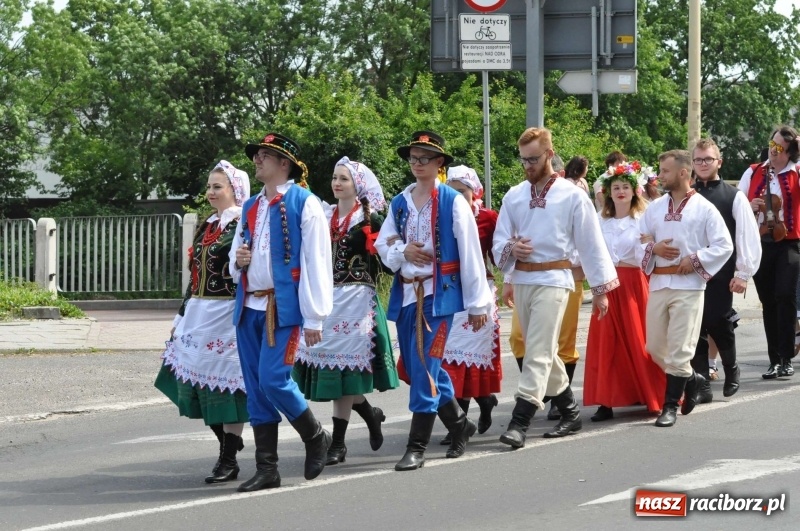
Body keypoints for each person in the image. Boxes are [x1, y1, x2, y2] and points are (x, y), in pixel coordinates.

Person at [493, 127, 619, 449]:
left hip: (555, 279)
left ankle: (520, 421)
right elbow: (499, 239)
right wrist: (511, 250)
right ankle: (569, 410)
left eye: (533, 159)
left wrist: (601, 289)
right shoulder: (514, 195)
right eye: (523, 160)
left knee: (537, 349)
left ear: (549, 154)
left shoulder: (572, 195)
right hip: (523, 278)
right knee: (543, 349)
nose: (527, 166)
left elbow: (591, 243)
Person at [376, 131, 493, 471]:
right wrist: (402, 250)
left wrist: (478, 304)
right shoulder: (400, 202)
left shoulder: (452, 202)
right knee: (419, 368)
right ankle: (459, 424)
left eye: (424, 158)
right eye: (413, 157)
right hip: (409, 294)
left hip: (439, 298)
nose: (417, 164)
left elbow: (471, 252)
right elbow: (383, 245)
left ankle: (417, 447)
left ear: (439, 163)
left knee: (426, 367)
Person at [229, 133, 333, 491]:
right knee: (256, 388)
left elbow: (317, 261)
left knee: (273, 378)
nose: (256, 160)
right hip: (248, 305)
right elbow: (237, 255)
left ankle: (315, 435)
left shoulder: (305, 202)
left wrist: (316, 316)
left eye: (264, 155)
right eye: (256, 155)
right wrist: (238, 261)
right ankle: (267, 468)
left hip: (282, 307)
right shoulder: (250, 206)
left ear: (284, 163)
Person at [292, 157, 399, 465]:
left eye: (344, 179)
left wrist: (379, 249)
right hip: (328, 302)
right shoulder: (322, 215)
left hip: (357, 304)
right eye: (335, 178)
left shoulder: (371, 220)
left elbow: (389, 263)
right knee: (336, 371)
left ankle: (337, 444)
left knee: (345, 372)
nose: (337, 183)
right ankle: (370, 413)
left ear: (357, 186)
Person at [155, 160, 250, 484]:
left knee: (229, 387)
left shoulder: (243, 224)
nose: (210, 192)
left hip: (227, 314)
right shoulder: (207, 225)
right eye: (209, 186)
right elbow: (194, 276)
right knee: (194, 382)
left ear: (234, 190)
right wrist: (180, 315)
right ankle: (229, 447)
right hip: (198, 313)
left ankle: (227, 459)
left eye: (217, 186)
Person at [638, 150, 733, 428]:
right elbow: (636, 242)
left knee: (680, 349)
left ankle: (670, 407)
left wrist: (695, 260)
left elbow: (724, 245)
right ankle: (693, 378)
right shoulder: (654, 208)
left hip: (689, 287)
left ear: (682, 173)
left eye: (665, 171)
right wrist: (652, 248)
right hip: (659, 283)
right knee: (654, 346)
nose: (660, 176)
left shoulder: (704, 208)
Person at [583, 160, 665, 421]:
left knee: (639, 339)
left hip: (633, 283)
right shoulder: (599, 220)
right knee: (607, 342)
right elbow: (590, 251)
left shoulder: (642, 219)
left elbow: (648, 253)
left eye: (625, 187)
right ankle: (605, 401)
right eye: (615, 187)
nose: (620, 191)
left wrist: (649, 245)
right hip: (607, 282)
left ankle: (649, 393)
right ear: (608, 192)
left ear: (634, 191)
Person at [689, 138, 761, 403]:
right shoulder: (688, 194)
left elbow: (746, 235)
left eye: (708, 159)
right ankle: (702, 385)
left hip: (722, 273)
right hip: (691, 272)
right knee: (694, 327)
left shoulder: (733, 196)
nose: (703, 164)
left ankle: (731, 368)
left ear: (719, 161)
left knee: (719, 324)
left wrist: (743, 273)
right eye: (698, 159)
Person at [437, 165, 502, 443]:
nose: (455, 196)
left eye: (461, 191)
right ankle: (467, 415)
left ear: (474, 193)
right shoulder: (438, 214)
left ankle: (471, 412)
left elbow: (498, 255)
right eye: (450, 191)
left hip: (478, 291)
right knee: (448, 357)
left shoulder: (487, 217)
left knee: (468, 357)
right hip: (449, 290)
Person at [738, 126, 800, 379]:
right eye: (771, 146)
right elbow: (737, 203)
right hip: (760, 242)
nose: (773, 152)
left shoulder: (797, 171)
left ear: (790, 152)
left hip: (789, 243)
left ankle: (786, 356)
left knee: (785, 295)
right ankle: (774, 359)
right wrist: (748, 205)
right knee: (768, 303)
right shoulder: (754, 171)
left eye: (779, 149)